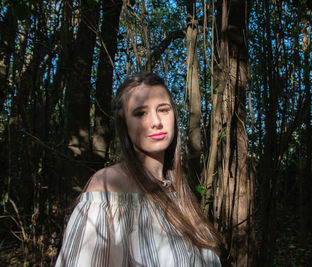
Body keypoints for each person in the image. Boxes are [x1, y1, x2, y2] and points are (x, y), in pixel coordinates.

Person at [55, 72, 221, 267]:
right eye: (140, 113)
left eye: (164, 110)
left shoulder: (178, 191)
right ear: (124, 124)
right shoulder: (108, 187)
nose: (156, 122)